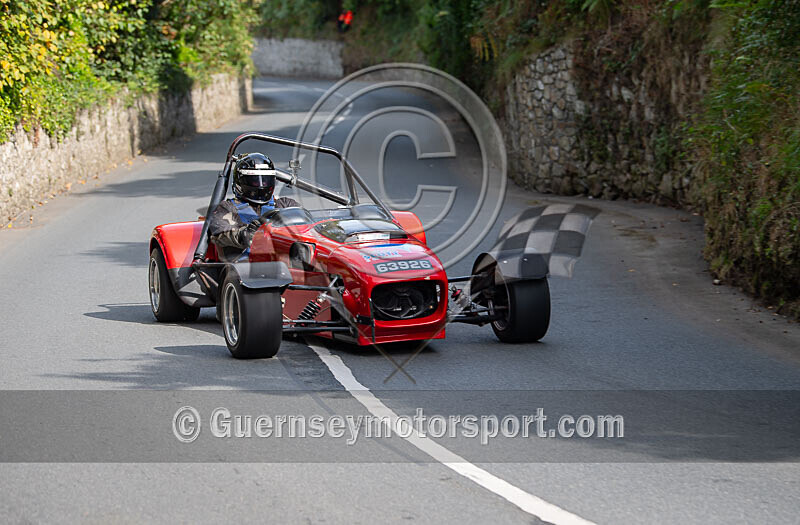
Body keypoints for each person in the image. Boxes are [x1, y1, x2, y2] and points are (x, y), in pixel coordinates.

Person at [208, 152, 298, 261]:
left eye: (265, 180)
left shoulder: (285, 205)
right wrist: (244, 234)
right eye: (255, 180)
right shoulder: (227, 208)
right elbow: (220, 233)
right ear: (241, 181)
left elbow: (306, 225)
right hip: (242, 266)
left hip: (283, 262)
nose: (261, 185)